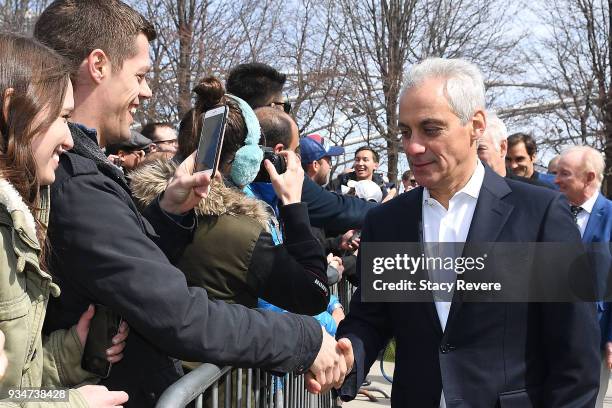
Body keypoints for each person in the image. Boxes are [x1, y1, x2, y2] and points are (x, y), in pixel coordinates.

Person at [34, 1, 351, 405]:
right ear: (98, 66)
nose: (147, 91)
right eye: (141, 75)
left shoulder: (83, 173)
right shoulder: (75, 182)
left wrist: (168, 213)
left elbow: (127, 270)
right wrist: (303, 339)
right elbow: (179, 315)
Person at [331, 57, 600, 406]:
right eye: (405, 131)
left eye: (430, 129)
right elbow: (372, 318)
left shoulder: (540, 215)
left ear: (475, 125)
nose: (412, 146)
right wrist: (350, 351)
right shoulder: (388, 222)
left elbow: (575, 354)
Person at [0, 33, 129, 408]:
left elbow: (15, 389)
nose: (70, 140)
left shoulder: (20, 218)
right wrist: (74, 405)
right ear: (12, 109)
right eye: (62, 117)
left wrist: (68, 353)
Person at [131, 77, 329, 314]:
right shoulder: (240, 232)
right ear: (246, 159)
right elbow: (314, 296)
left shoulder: (137, 202)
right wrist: (293, 205)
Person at [226, 62, 377, 233]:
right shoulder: (280, 167)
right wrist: (390, 210)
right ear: (272, 109)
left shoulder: (206, 159)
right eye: (286, 106)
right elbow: (338, 209)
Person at [555, 145, 612, 408]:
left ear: (589, 177)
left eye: (564, 174)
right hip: (553, 332)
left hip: (596, 335)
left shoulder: (610, 216)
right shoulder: (554, 212)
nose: (556, 180)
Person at [477, 111, 551, 187]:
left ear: (502, 148)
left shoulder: (544, 192)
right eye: (508, 159)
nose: (513, 165)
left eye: (519, 159)